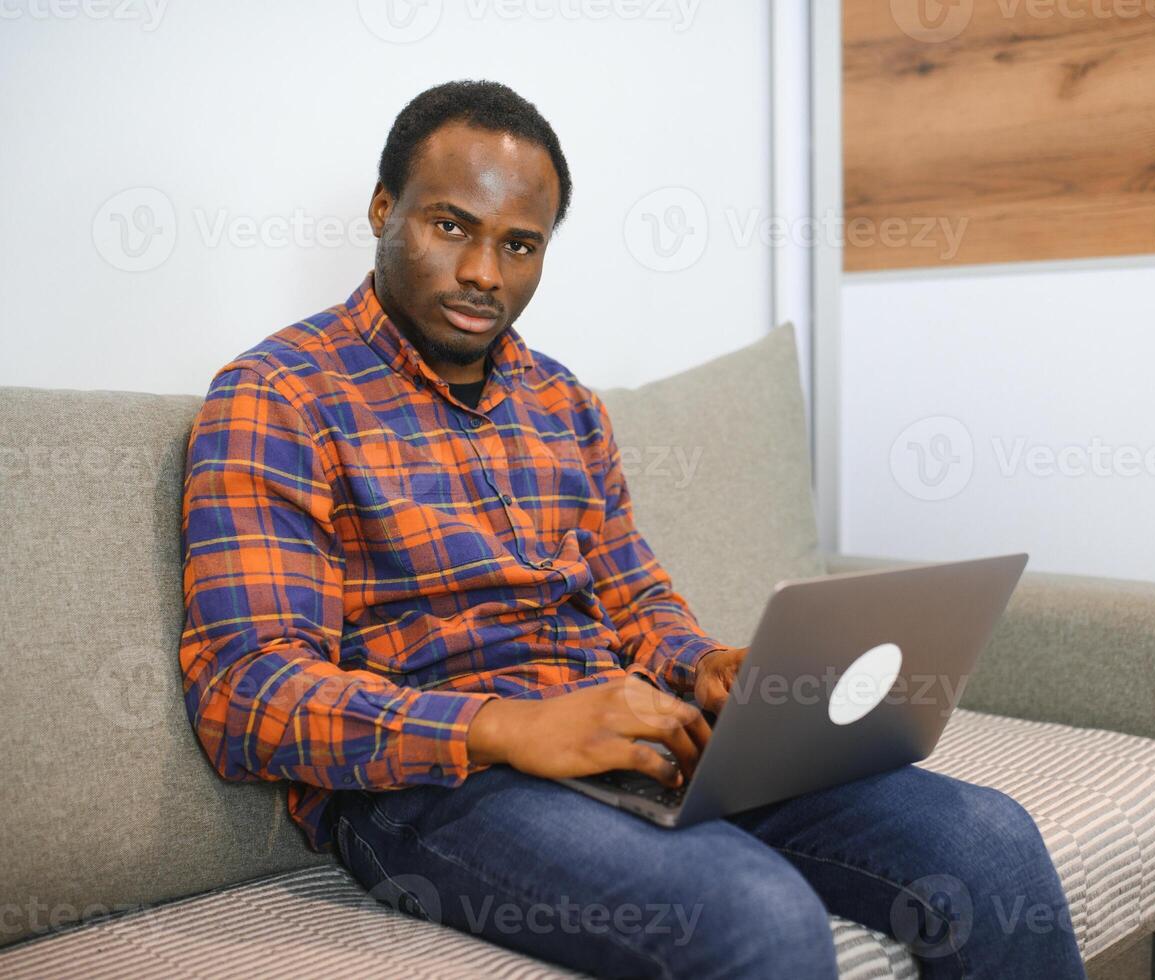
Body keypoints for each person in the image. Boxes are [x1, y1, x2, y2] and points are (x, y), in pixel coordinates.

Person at [178, 79, 1086, 980]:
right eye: (451, 226)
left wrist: (703, 667)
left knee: (988, 841)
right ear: (385, 208)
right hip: (433, 786)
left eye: (520, 244)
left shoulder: (562, 402)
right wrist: (505, 726)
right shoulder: (279, 396)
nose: (484, 274)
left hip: (626, 735)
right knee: (753, 915)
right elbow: (244, 691)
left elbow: (633, 598)